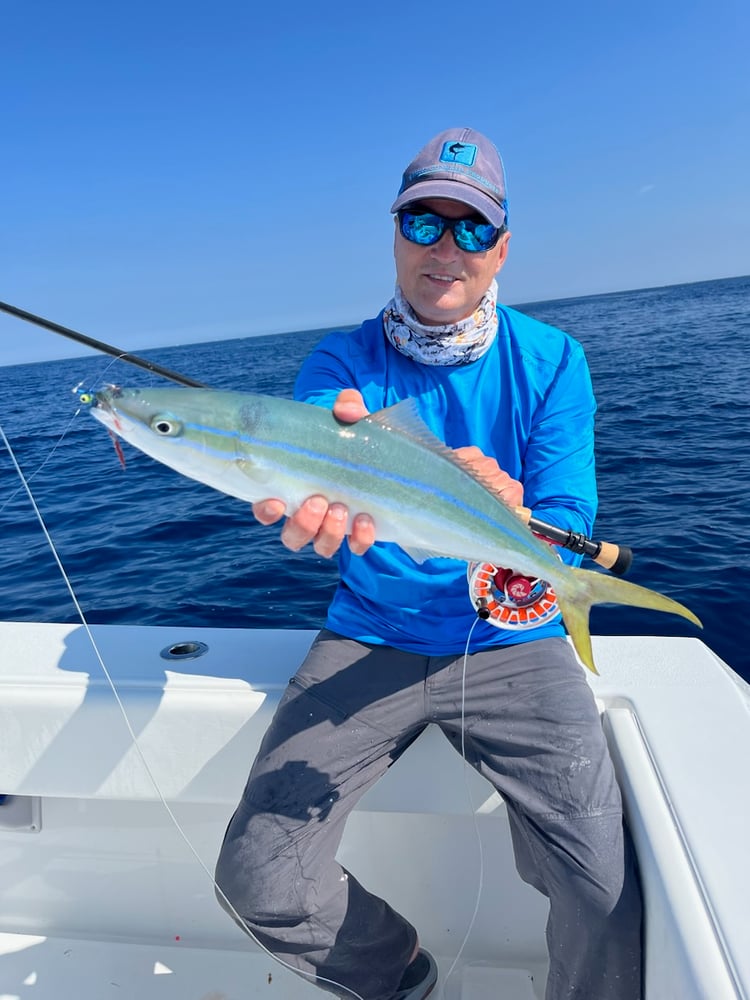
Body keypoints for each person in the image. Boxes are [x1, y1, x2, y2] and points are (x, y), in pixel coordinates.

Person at [215, 127, 642, 1000]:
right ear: (394, 233)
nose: (448, 248)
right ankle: (401, 972)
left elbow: (565, 516)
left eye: (473, 229)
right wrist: (308, 493)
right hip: (368, 634)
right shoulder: (341, 365)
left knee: (604, 892)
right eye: (424, 223)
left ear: (503, 248)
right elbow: (316, 442)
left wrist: (514, 517)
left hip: (511, 639)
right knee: (257, 877)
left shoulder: (553, 361)